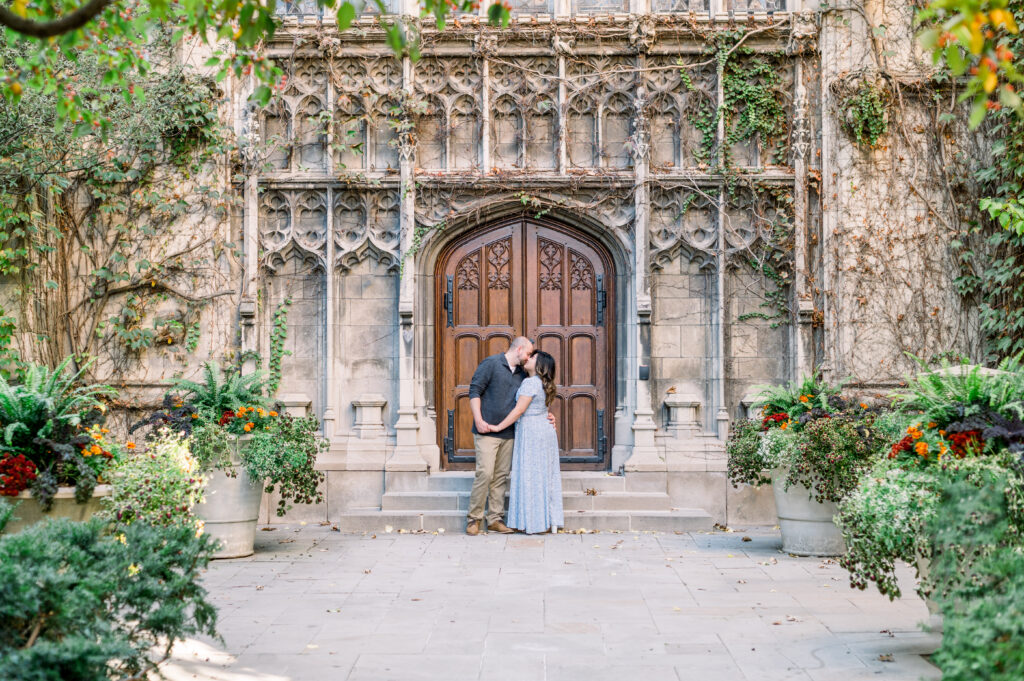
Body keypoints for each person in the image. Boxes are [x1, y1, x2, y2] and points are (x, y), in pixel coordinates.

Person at [489, 350, 564, 535]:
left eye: (533, 357)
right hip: (543, 431)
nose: (528, 358)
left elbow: (519, 410)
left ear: (540, 366)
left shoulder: (530, 383)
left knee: (530, 475)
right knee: (542, 476)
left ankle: (532, 522)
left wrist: (499, 427)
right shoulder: (541, 383)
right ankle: (545, 520)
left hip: (532, 432)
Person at [465, 336, 534, 536]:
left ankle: (495, 519)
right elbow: (474, 391)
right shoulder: (491, 364)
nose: (528, 357)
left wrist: (548, 414)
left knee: (500, 477)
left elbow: (529, 399)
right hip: (486, 430)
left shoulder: (523, 374)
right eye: (528, 353)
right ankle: (474, 519)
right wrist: (478, 419)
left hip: (509, 433)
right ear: (519, 349)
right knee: (485, 473)